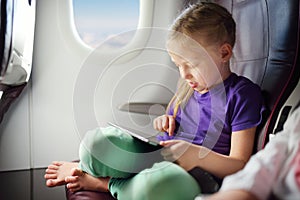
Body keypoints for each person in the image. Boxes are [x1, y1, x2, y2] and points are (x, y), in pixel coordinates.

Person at [44, 3, 265, 199]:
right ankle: (88, 167)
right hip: (160, 157)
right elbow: (175, 129)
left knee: (156, 186)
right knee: (98, 144)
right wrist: (164, 121)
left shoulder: (243, 95)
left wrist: (196, 156)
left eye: (192, 64)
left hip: (197, 176)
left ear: (224, 53)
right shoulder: (188, 88)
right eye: (178, 65)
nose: (184, 74)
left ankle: (103, 184)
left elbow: (240, 164)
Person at [195, 104, 300, 200]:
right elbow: (264, 165)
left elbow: (240, 163)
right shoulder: (296, 121)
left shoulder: (241, 97)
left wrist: (198, 157)